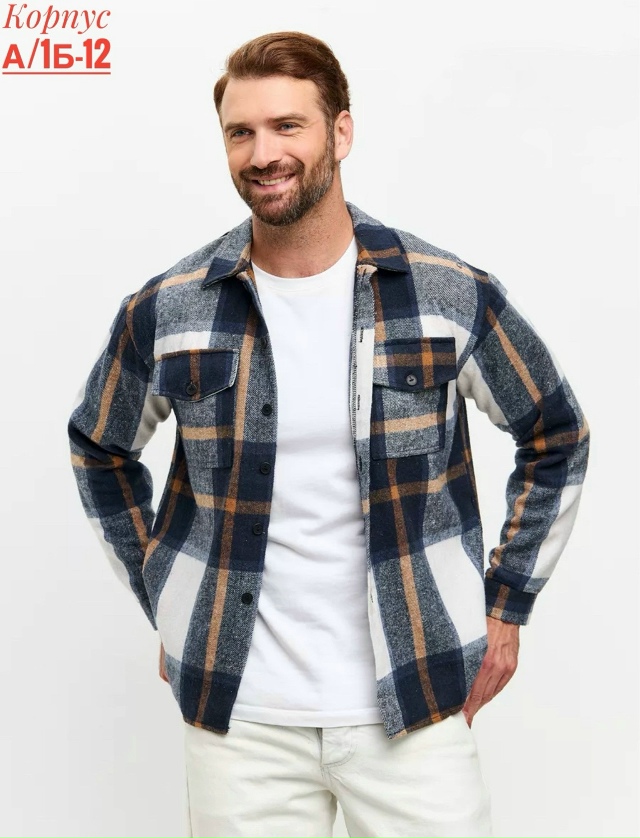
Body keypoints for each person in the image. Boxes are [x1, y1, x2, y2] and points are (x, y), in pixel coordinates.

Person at [68, 31, 590, 838]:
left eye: (288, 126)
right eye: (241, 132)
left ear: (340, 133)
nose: (263, 153)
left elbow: (556, 434)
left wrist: (508, 603)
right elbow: (98, 446)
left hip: (414, 702)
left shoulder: (446, 292)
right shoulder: (170, 307)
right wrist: (173, 600)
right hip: (241, 722)